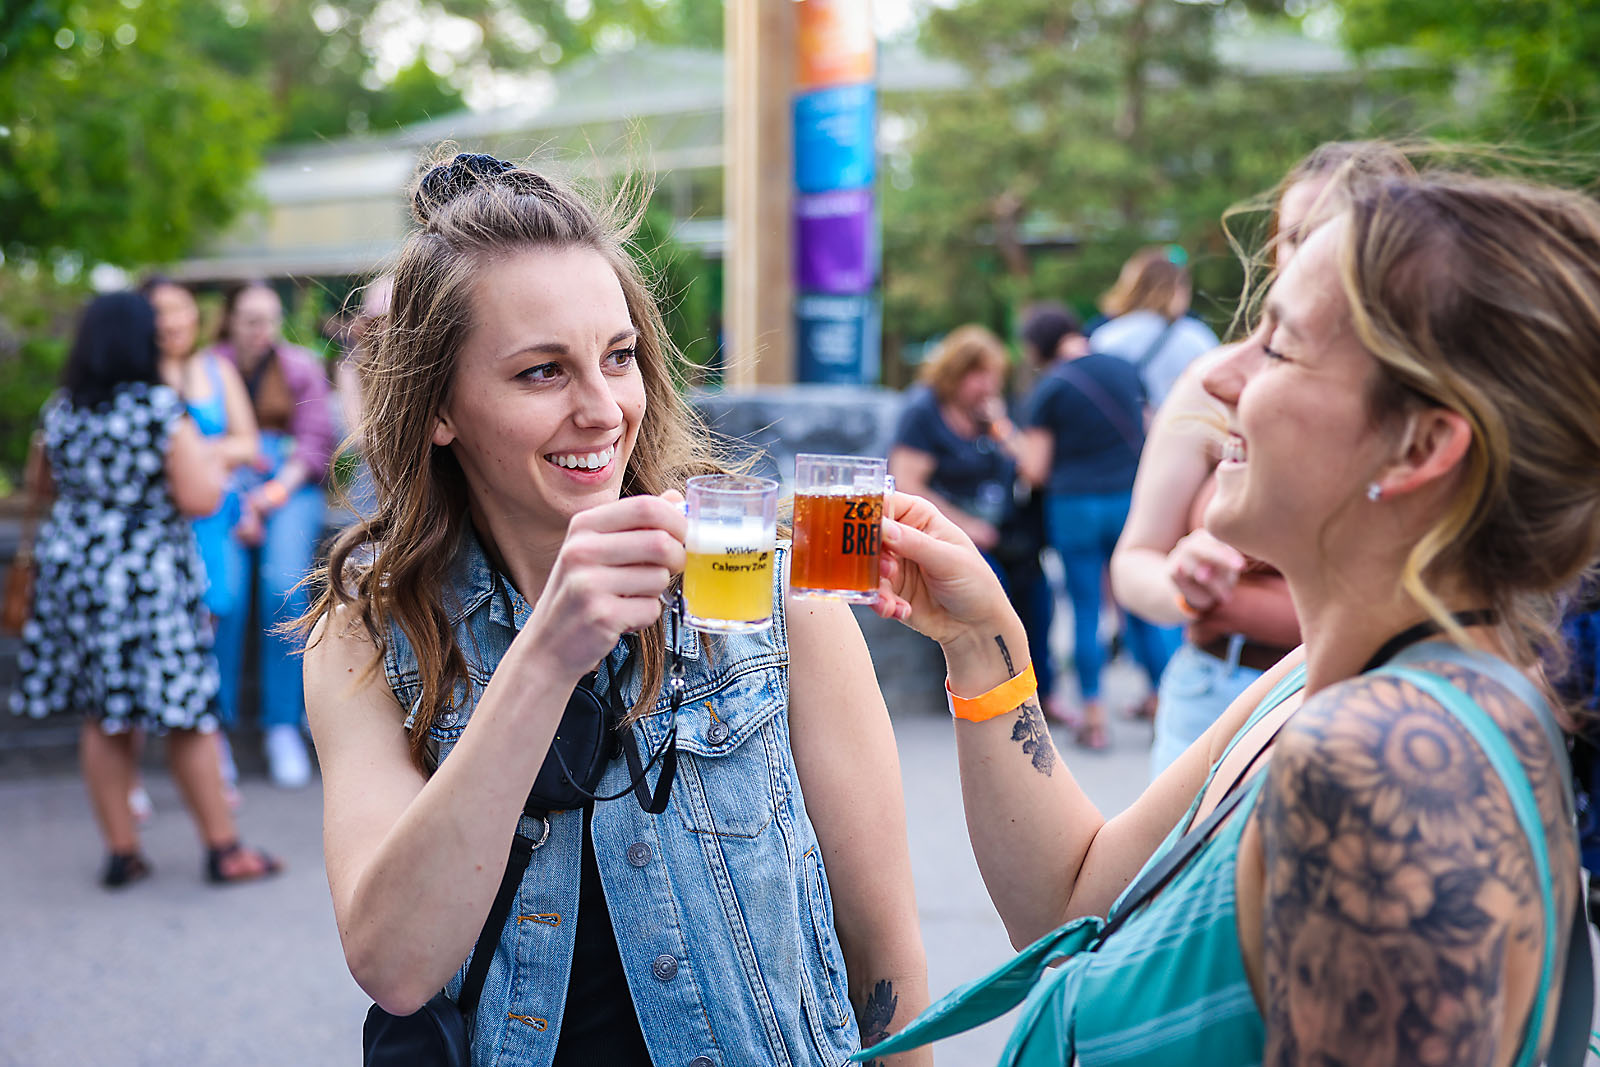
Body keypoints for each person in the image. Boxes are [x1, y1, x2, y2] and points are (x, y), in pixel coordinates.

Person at [860, 164, 1598, 1065]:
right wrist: (983, 641)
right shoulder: (1322, 684)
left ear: (1422, 445)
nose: (1221, 379)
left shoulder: (1384, 761)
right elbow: (1073, 898)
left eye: (1279, 347)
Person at [298, 154, 929, 1065]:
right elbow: (394, 962)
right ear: (440, 408)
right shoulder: (370, 630)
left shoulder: (760, 581)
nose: (603, 410)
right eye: (543, 372)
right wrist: (543, 659)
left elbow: (884, 956)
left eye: (619, 357)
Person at [1111, 142, 1412, 777]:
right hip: (1217, 689)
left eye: (1332, 237)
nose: (1305, 257)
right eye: (1292, 236)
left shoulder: (1421, 408)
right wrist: (1181, 584)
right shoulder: (1215, 378)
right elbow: (1135, 559)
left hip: (1372, 701)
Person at [9, 292, 281, 888]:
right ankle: (223, 849)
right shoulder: (160, 409)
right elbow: (200, 499)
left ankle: (121, 850)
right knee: (186, 712)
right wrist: (211, 462)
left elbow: (43, 487)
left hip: (78, 575)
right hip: (147, 577)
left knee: (105, 715)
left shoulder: (62, 410)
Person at [1014, 304, 1177, 750]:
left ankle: (1094, 717)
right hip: (1129, 501)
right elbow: (1153, 430)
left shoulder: (1049, 389)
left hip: (1074, 507)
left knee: (1086, 608)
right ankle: (1164, 701)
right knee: (1141, 603)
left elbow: (1036, 470)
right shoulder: (1125, 370)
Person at [202, 281, 336, 787]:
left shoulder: (298, 366)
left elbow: (316, 443)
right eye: (251, 320)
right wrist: (240, 494)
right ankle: (213, 725)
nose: (263, 331)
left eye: (270, 319)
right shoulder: (207, 369)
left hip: (288, 491)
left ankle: (282, 723)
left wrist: (271, 494)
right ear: (230, 321)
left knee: (283, 587)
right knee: (223, 598)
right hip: (222, 491)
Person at [144, 276, 261, 798]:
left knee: (216, 615)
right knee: (159, 635)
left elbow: (247, 442)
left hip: (213, 518)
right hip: (159, 526)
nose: (172, 321)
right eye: (160, 311)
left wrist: (203, 457)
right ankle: (181, 758)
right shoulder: (136, 376)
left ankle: (206, 743)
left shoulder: (216, 369)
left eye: (181, 309)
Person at [1088, 247, 1218, 407]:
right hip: (1185, 426)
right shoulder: (1198, 336)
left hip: (1130, 427)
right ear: (1178, 288)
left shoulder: (1107, 336)